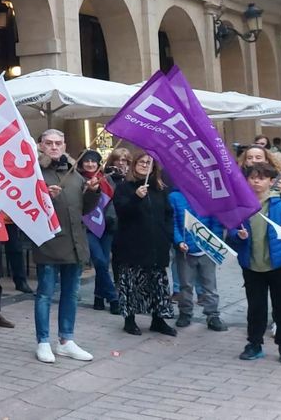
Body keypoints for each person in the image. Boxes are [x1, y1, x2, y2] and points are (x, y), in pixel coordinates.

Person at [33, 129, 99, 364]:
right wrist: (43, 198)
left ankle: (66, 340)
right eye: (49, 143)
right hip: (49, 243)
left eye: (58, 143)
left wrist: (93, 191)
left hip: (75, 243)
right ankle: (43, 341)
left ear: (64, 145)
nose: (54, 147)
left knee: (71, 294)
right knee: (44, 294)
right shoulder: (35, 173)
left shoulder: (74, 173)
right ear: (40, 145)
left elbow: (85, 209)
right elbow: (26, 208)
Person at [112, 152, 177, 337]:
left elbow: (168, 214)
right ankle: (130, 320)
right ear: (134, 165)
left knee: (157, 284)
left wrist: (167, 235)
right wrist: (136, 197)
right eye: (141, 162)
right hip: (132, 245)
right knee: (131, 284)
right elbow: (122, 211)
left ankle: (158, 319)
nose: (145, 165)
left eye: (149, 162)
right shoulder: (125, 188)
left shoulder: (160, 189)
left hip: (156, 244)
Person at [230, 163, 281, 362]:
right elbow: (231, 233)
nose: (256, 181)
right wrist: (239, 235)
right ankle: (254, 344)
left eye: (261, 178)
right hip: (252, 266)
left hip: (279, 265)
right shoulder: (242, 207)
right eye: (252, 177)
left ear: (271, 181)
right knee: (256, 307)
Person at [169, 188, 227, 331]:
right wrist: (178, 241)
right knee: (185, 285)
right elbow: (173, 222)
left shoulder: (209, 196)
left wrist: (214, 242)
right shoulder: (174, 197)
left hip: (206, 249)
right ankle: (185, 313)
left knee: (210, 285)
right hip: (185, 249)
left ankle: (212, 315)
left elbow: (216, 222)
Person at [79, 150, 119, 315]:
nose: (90, 164)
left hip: (107, 227)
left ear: (98, 163)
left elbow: (113, 200)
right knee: (100, 262)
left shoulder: (106, 178)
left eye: (93, 161)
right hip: (88, 227)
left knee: (102, 263)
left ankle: (98, 296)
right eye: (86, 161)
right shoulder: (78, 179)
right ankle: (113, 298)